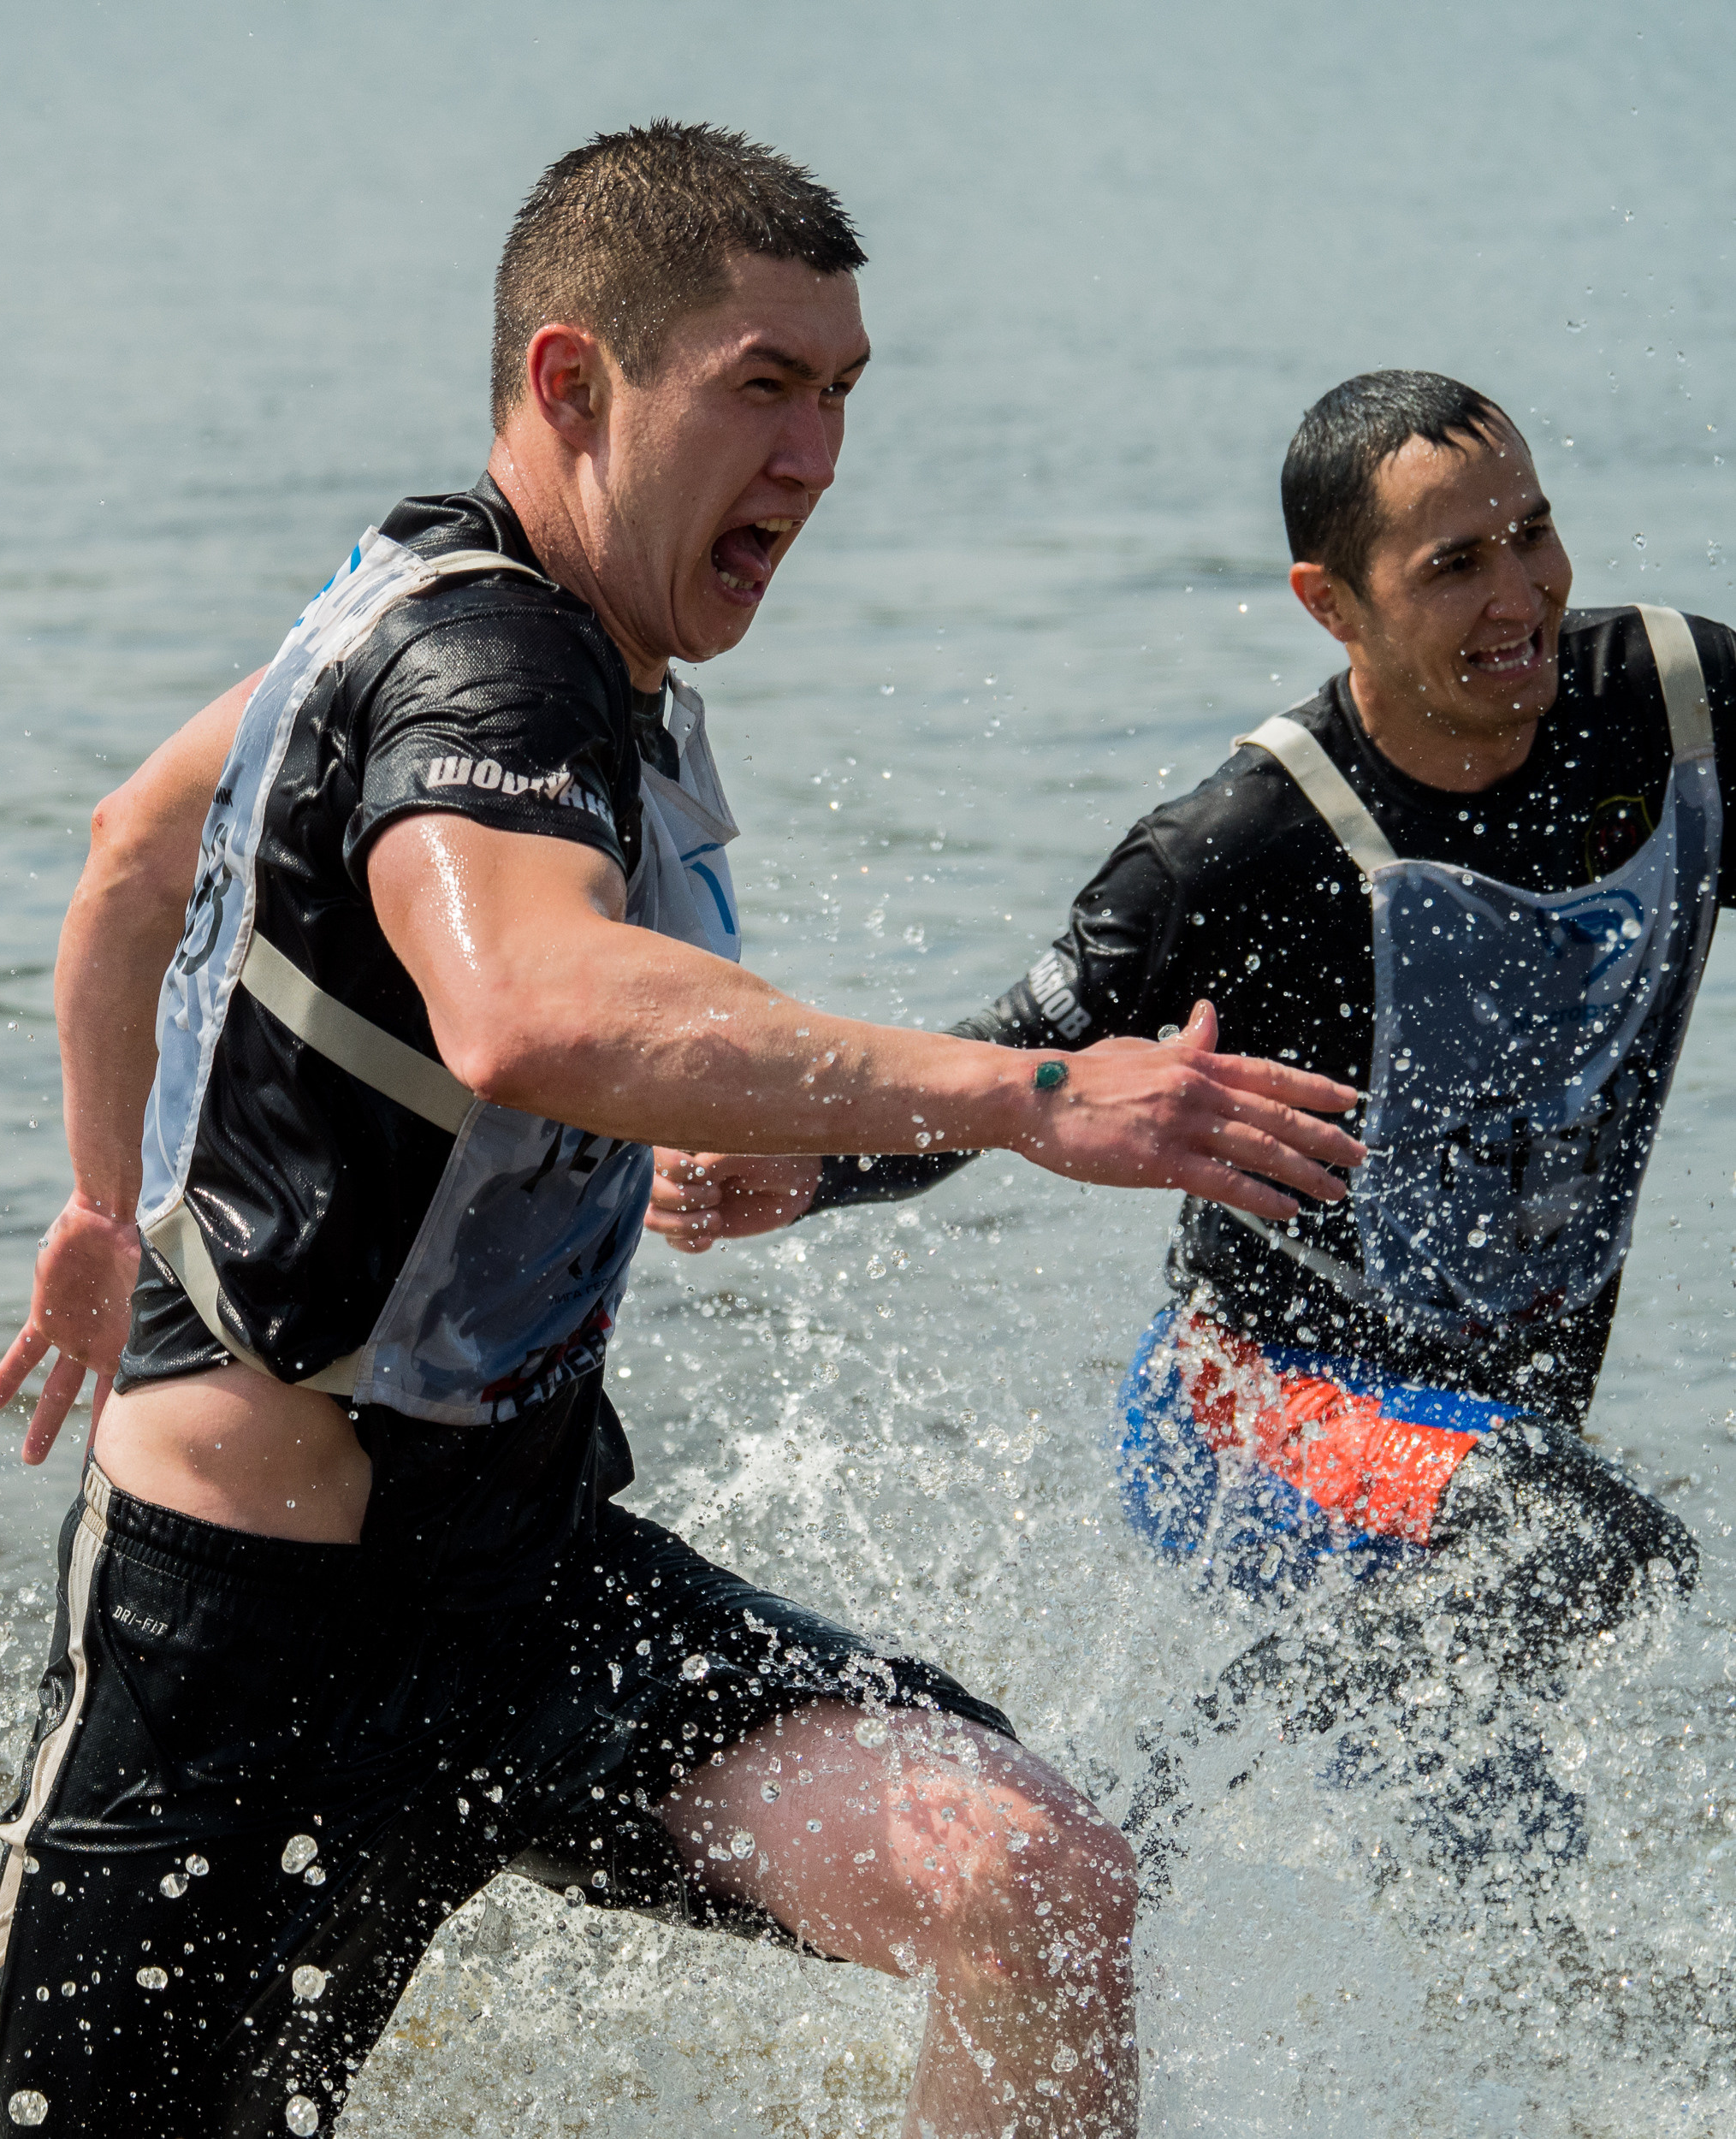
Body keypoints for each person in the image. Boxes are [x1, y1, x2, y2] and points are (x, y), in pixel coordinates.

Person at [0, 124, 1367, 2137]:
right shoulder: (489, 656)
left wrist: (108, 1200)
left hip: (518, 1577)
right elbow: (527, 1003)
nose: (813, 458)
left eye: (840, 396)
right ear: (571, 383)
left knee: (1031, 1884)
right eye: (760, 387)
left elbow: (132, 854)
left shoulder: (444, 614)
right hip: (240, 1645)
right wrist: (1028, 1091)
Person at [651, 371, 1718, 1875]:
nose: (1521, 595)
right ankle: (1138, 1829)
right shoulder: (1241, 847)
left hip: (1486, 1445)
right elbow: (1008, 1064)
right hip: (1251, 1410)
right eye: (1454, 566)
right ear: (1330, 603)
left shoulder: (1677, 710)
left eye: (1535, 534)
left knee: (1511, 1894)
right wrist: (807, 1166)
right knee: (1579, 1547)